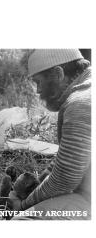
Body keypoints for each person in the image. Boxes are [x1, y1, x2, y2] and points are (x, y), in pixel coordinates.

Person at [10, 49, 91, 220]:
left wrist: (23, 207)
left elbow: (65, 179)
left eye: (39, 82)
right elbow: (70, 160)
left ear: (58, 73)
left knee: (23, 221)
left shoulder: (80, 103)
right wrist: (43, 180)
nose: (38, 91)